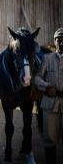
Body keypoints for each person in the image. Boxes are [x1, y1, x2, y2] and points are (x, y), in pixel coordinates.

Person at [34, 27, 63, 164]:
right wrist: (46, 87)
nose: (61, 43)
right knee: (49, 139)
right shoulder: (47, 58)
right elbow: (37, 78)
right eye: (59, 40)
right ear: (55, 42)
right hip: (50, 103)